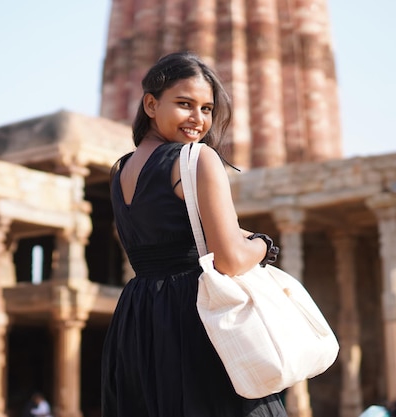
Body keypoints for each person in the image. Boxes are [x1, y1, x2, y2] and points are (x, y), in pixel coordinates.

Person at [101, 51, 285, 417]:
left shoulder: (121, 170)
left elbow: (162, 235)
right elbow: (229, 260)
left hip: (138, 317)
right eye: (185, 104)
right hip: (192, 313)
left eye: (207, 109)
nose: (198, 119)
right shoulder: (197, 158)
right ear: (150, 104)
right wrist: (264, 246)